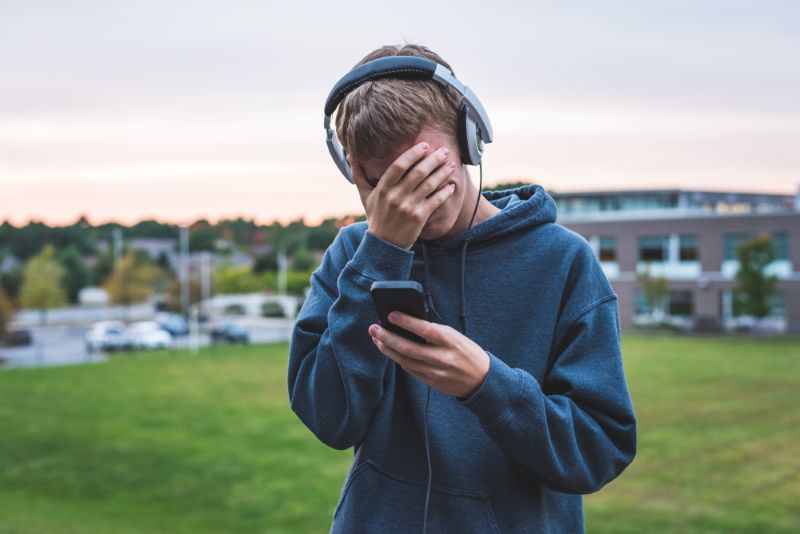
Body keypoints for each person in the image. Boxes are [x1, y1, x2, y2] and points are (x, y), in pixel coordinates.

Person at [288, 43, 637, 533]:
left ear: (470, 140)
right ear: (352, 169)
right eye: (384, 184)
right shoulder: (354, 254)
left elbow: (598, 452)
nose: (414, 205)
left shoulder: (563, 262)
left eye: (425, 174)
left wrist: (487, 385)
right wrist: (383, 251)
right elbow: (330, 418)